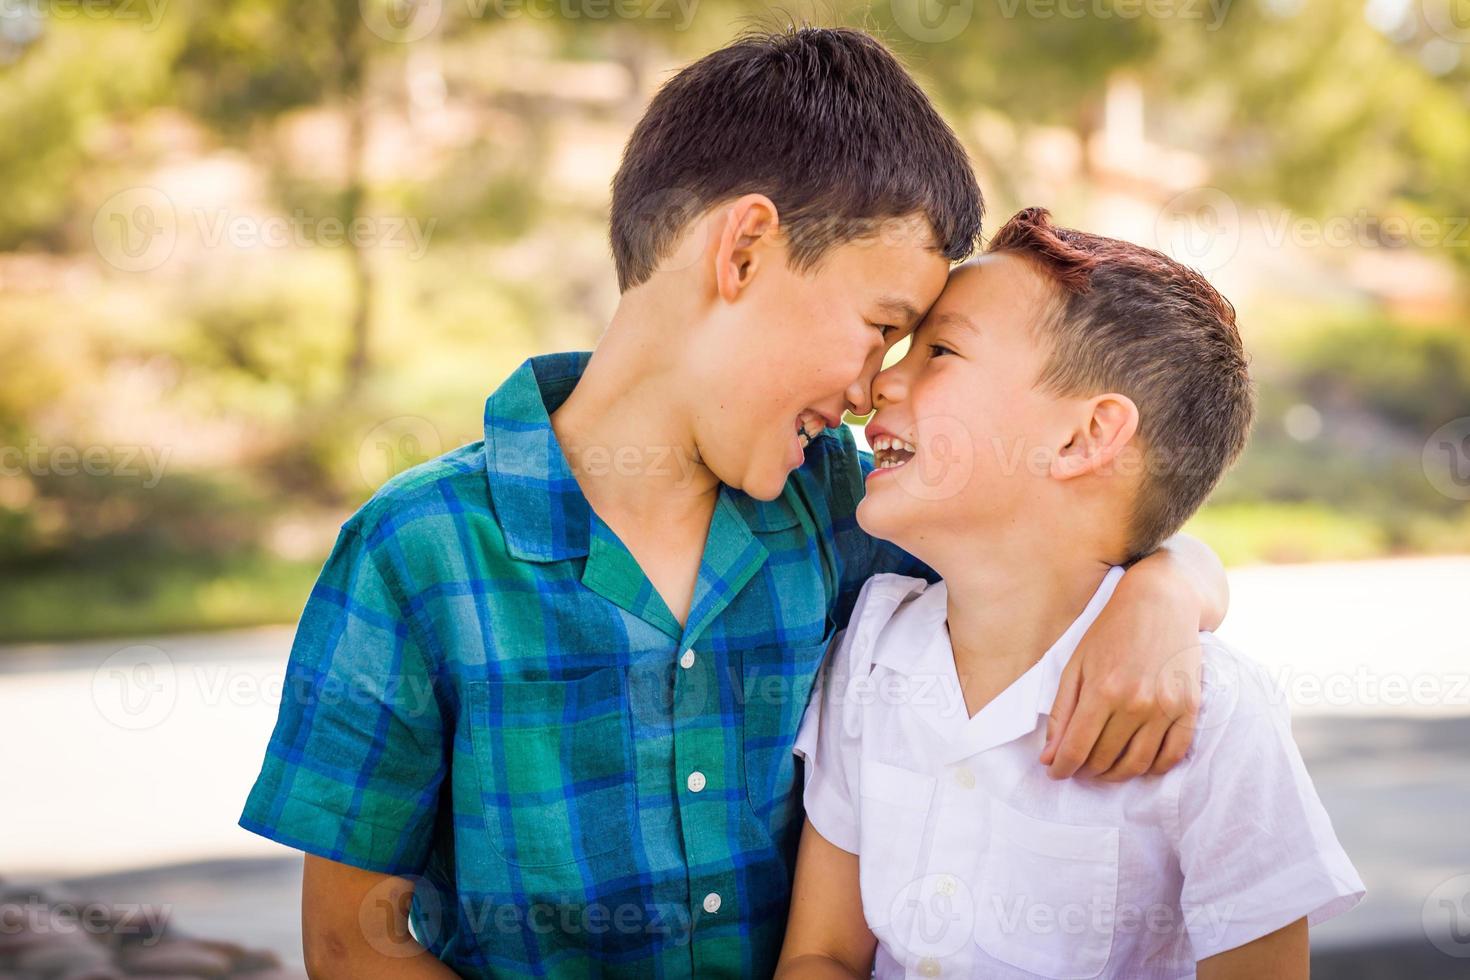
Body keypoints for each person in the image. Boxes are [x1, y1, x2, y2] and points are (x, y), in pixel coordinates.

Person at [240, 31, 1230, 978]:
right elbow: (350, 943)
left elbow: (1058, 550)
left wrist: (1166, 585)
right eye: (880, 326)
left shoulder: (846, 508)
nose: (869, 390)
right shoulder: (418, 551)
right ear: (745, 249)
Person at [778, 208, 1364, 980]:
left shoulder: (1217, 720)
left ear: (1084, 439)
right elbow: (822, 955)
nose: (883, 379)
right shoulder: (873, 649)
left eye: (942, 350)